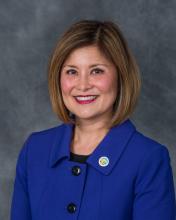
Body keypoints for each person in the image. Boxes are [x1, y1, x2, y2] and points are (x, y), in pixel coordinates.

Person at [10, 20, 176, 220]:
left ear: (120, 75)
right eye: (72, 71)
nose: (83, 85)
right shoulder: (34, 149)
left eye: (96, 71)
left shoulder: (148, 158)